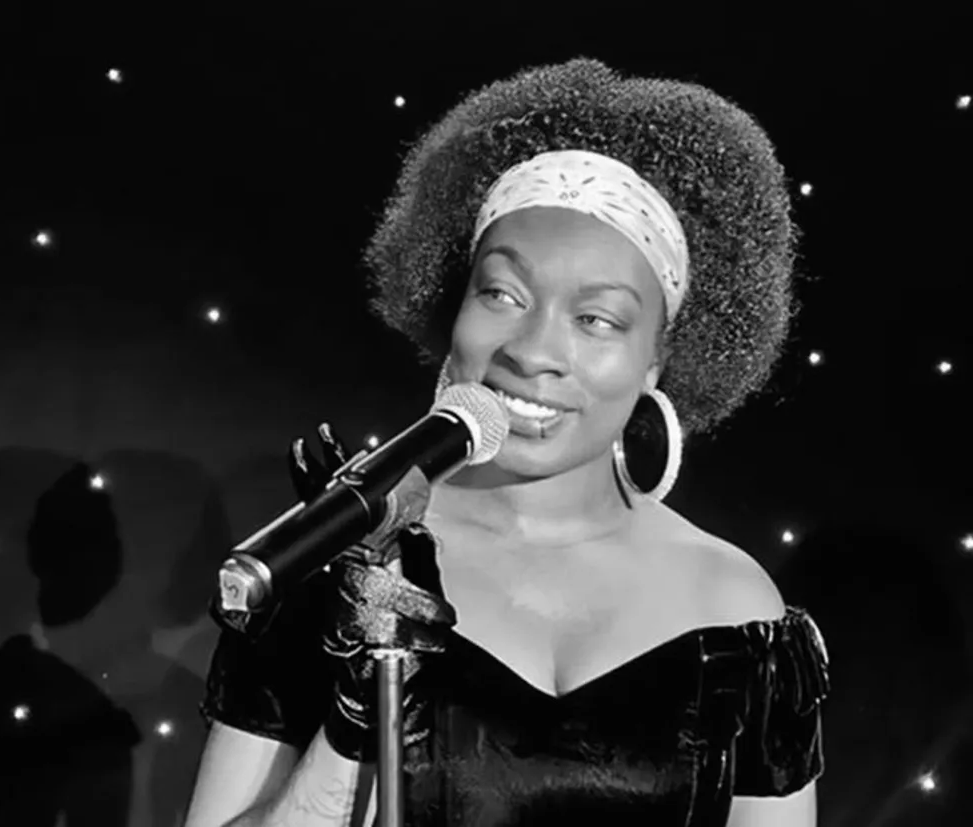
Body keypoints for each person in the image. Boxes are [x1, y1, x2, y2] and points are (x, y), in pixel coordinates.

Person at [183, 57, 831, 827]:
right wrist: (352, 723)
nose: (533, 350)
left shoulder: (733, 608)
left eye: (597, 318)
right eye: (502, 293)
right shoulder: (341, 571)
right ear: (450, 308)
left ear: (657, 358)